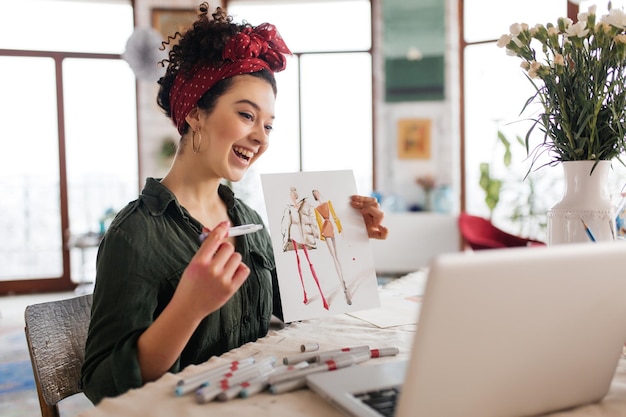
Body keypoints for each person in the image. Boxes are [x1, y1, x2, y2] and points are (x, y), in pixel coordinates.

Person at [80, 2, 388, 405]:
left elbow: (306, 309)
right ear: (195, 113)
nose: (261, 137)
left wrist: (349, 245)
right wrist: (188, 307)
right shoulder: (135, 235)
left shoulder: (251, 221)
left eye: (269, 125)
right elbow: (103, 385)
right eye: (246, 115)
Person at [281, 186, 328, 310]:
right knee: (299, 265)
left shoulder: (306, 205)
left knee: (310, 264)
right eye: (291, 194)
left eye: (294, 194)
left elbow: (312, 220)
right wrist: (285, 239)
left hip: (305, 238)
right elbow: (285, 225)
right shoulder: (289, 209)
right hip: (294, 237)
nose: (293, 196)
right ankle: (305, 294)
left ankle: (323, 297)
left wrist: (318, 235)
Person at [312, 189, 351, 305]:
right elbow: (319, 222)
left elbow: (335, 216)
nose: (316, 194)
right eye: (314, 194)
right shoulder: (315, 208)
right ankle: (343, 285)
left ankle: (344, 282)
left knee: (338, 257)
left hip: (332, 227)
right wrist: (321, 235)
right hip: (325, 228)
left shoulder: (328, 202)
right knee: (334, 257)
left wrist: (341, 229)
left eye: (317, 192)